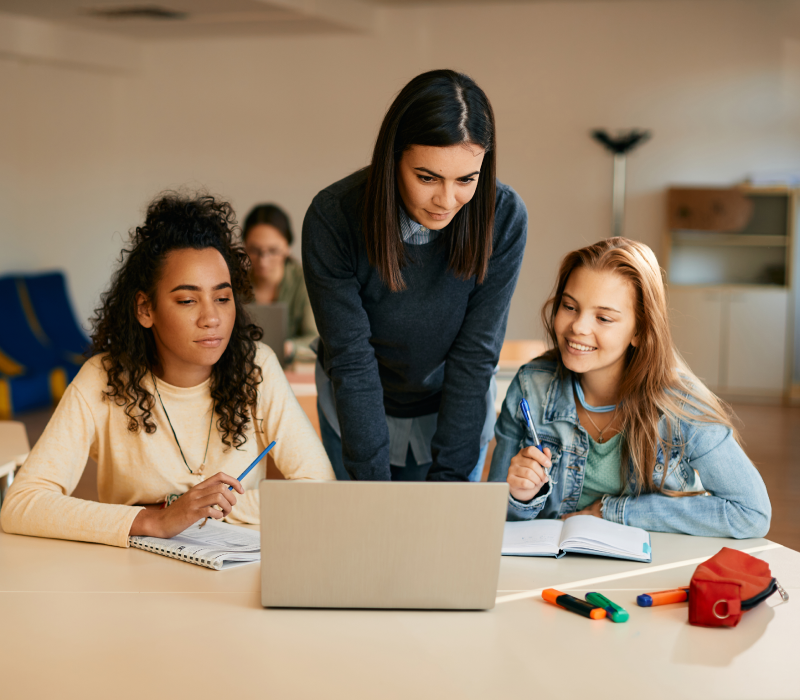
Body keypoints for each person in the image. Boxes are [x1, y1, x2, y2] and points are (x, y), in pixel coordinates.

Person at [0, 193, 333, 548]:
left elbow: (319, 489)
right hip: (134, 577)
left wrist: (198, 510)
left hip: (234, 570)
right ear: (146, 308)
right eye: (188, 300)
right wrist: (156, 520)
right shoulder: (104, 378)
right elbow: (22, 503)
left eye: (223, 298)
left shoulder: (256, 367)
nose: (212, 318)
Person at [303, 69, 527, 482]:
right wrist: (372, 493)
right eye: (427, 177)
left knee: (444, 532)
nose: (446, 200)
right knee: (369, 535)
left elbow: (475, 356)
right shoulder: (334, 218)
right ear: (393, 159)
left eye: (466, 180)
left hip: (453, 407)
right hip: (357, 405)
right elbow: (352, 362)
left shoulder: (504, 217)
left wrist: (450, 487)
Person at [487, 237, 771, 538]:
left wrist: (612, 512)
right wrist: (519, 496)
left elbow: (751, 513)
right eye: (570, 306)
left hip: (653, 568)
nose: (578, 327)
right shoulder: (531, 386)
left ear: (640, 330)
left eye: (604, 317)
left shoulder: (682, 402)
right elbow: (494, 517)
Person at [242, 203, 318, 362]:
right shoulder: (234, 282)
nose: (263, 260)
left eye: (273, 251)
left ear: (287, 247)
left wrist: (290, 348)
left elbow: (316, 340)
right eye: (255, 250)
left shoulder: (306, 281)